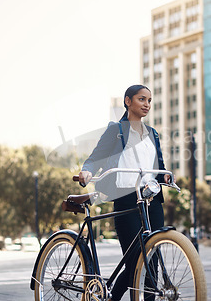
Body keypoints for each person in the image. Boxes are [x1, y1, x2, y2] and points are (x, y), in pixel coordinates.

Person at [78, 84, 171, 301]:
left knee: (152, 260)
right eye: (141, 99)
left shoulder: (153, 134)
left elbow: (158, 166)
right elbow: (95, 157)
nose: (147, 104)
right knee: (135, 262)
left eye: (149, 100)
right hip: (126, 197)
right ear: (128, 101)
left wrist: (165, 176)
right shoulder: (116, 130)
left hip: (151, 199)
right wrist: (86, 171)